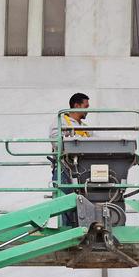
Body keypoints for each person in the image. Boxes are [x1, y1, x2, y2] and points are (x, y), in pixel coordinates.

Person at [49, 93, 90, 226]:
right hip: (64, 170)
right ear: (76, 106)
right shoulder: (61, 121)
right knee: (65, 207)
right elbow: (56, 141)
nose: (88, 110)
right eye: (86, 106)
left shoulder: (84, 127)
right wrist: (70, 138)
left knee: (81, 207)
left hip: (82, 172)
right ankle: (67, 234)